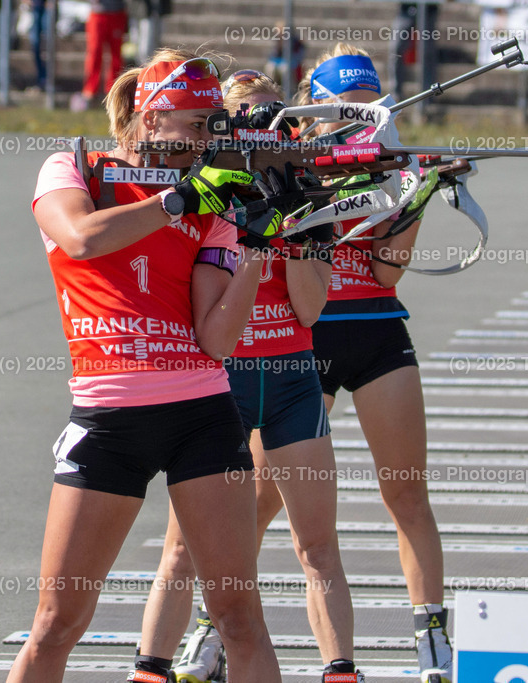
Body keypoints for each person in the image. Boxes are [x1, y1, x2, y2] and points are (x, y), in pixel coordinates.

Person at [9, 47, 283, 683]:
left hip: (201, 413)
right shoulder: (73, 166)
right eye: (194, 123)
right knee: (56, 624)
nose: (204, 141)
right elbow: (80, 238)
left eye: (214, 126)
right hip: (109, 417)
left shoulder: (210, 199)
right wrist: (177, 201)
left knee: (241, 619)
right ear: (149, 115)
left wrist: (254, 246)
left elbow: (217, 340)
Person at [134, 69, 367, 683]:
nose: (270, 129)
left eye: (278, 117)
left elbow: (311, 308)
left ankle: (340, 670)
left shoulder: (304, 190)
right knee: (183, 550)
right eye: (253, 118)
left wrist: (291, 218)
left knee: (317, 545)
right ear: (223, 126)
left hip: (291, 376)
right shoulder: (206, 188)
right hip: (223, 382)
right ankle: (151, 668)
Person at [296, 43, 453, 683]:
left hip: (377, 331)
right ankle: (210, 628)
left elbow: (387, 273)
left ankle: (433, 635)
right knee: (256, 503)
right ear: (317, 111)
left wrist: (414, 196)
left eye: (368, 109)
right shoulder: (293, 160)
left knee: (406, 492)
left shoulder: (394, 165)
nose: (360, 120)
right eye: (345, 110)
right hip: (302, 338)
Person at [72, 0, 129, 111]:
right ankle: (90, 91)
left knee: (116, 56)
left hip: (117, 13)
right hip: (98, 12)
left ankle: (113, 91)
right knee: (94, 53)